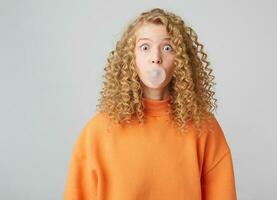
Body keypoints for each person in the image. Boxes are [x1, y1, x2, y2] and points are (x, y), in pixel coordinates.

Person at [64, 8, 237, 200]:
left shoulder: (204, 127)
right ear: (131, 58)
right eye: (145, 47)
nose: (156, 57)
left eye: (167, 48)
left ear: (181, 61)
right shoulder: (98, 131)